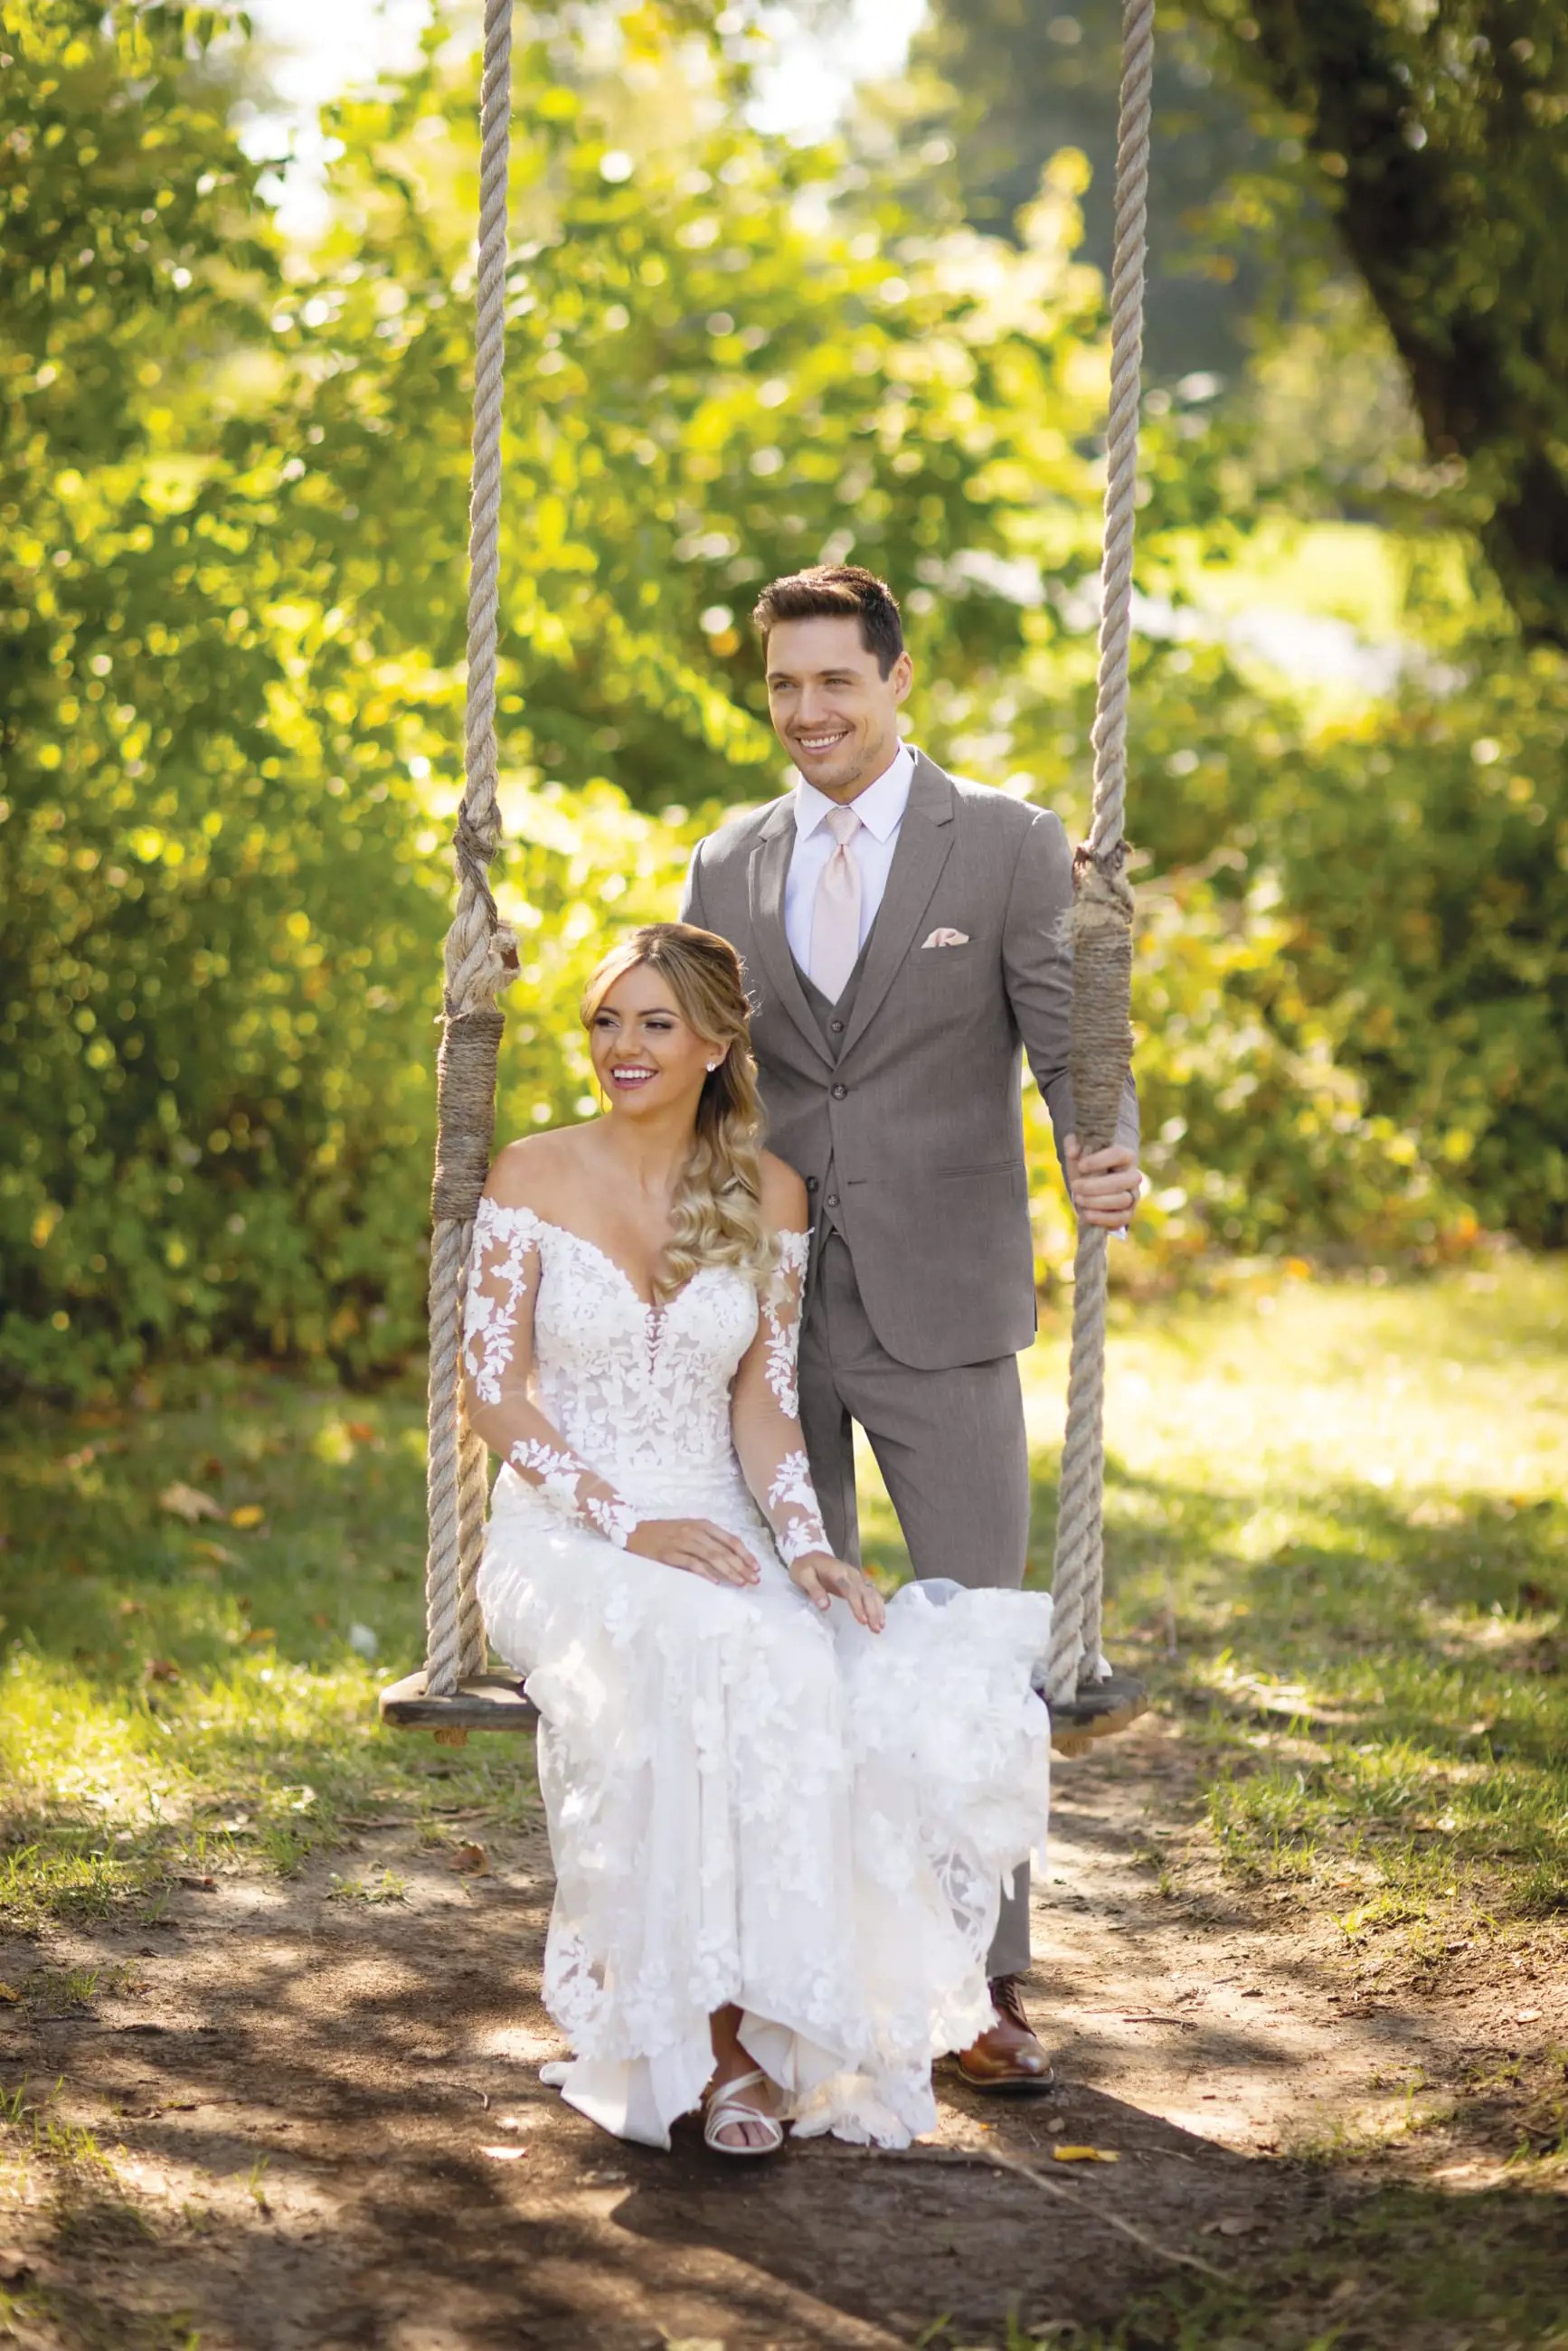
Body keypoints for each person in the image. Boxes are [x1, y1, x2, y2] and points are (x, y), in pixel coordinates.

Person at [464, 922, 1053, 2157]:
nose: (622, 1048)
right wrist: (629, 1523)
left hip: (718, 1520)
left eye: (653, 1024)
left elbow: (763, 1409)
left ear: (716, 1043)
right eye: (605, 1022)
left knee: (793, 1660)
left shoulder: (769, 1194)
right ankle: (707, 2048)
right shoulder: (526, 1173)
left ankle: (752, 2033)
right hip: (568, 1530)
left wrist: (802, 1546)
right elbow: (497, 1396)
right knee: (687, 1657)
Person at [681, 564, 1142, 2092]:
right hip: (763, 1315)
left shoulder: (1005, 846)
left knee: (965, 1650)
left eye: (836, 684)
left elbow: (1074, 1039)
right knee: (771, 1641)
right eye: (783, 689)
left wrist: (1107, 1143)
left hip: (944, 1296)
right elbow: (694, 1076)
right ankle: (776, 1974)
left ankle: (985, 1986)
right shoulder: (726, 859)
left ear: (894, 683)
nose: (807, 714)